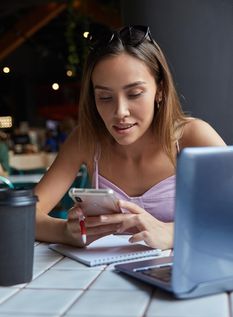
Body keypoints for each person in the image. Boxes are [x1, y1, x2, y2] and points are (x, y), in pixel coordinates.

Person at [35, 25, 225, 249]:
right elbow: (25, 215)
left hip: (178, 277)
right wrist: (66, 231)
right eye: (105, 97)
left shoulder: (192, 137)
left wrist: (173, 233)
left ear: (160, 90)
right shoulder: (85, 139)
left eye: (134, 94)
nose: (120, 112)